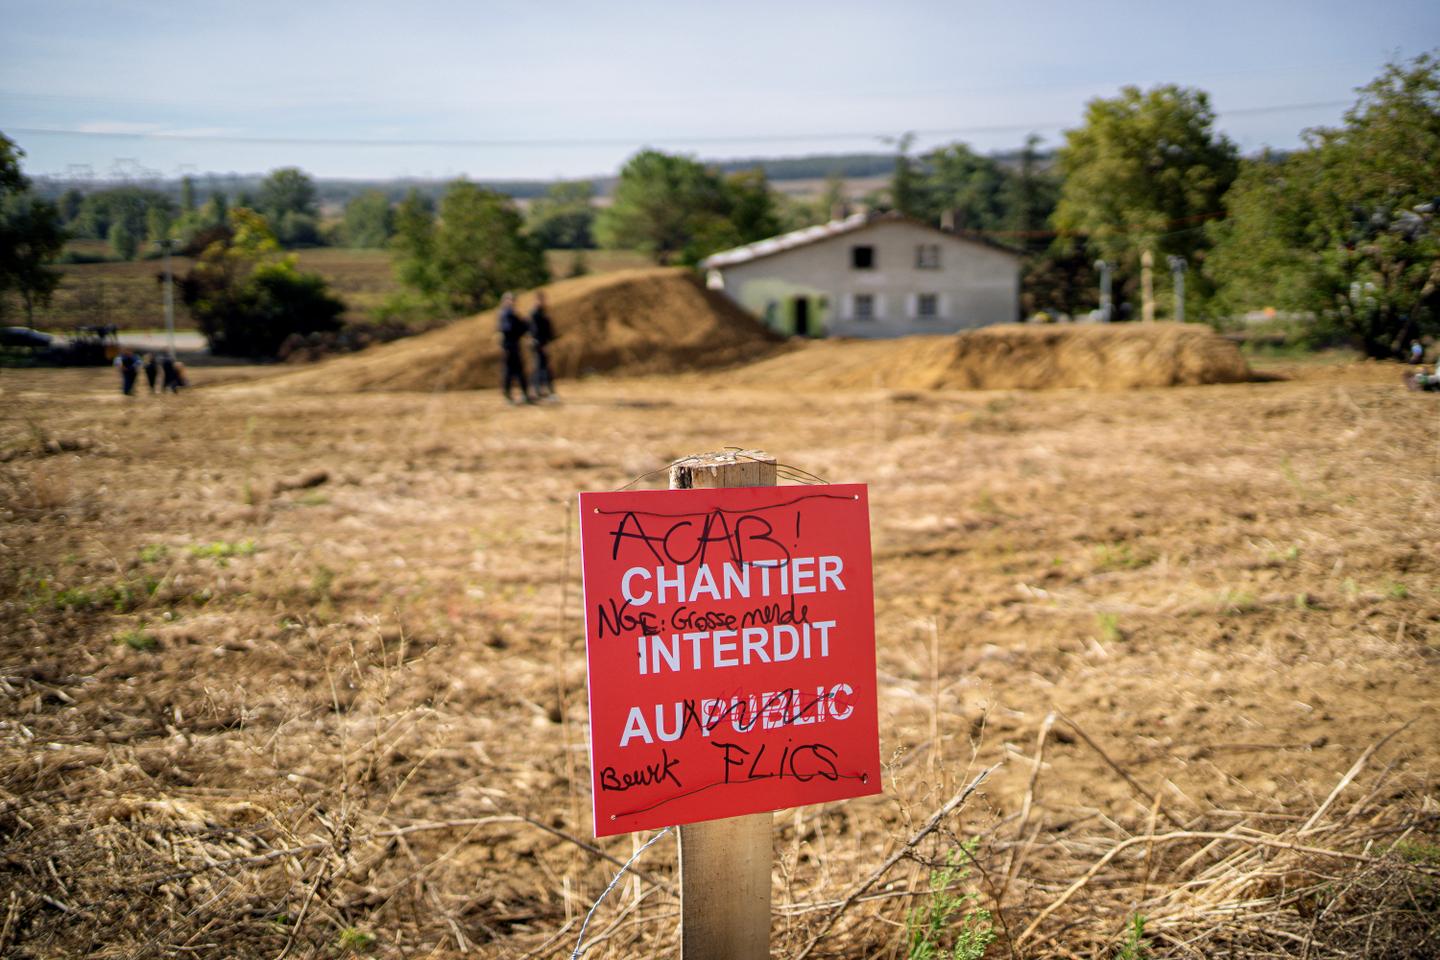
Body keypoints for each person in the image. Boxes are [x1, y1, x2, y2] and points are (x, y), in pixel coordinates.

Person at [497, 292, 533, 404]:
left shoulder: (512, 314)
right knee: (509, 372)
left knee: (518, 371)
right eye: (509, 300)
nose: (512, 302)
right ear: (504, 301)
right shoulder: (505, 314)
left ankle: (525, 394)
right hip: (509, 347)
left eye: (513, 300)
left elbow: (522, 327)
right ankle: (508, 396)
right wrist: (522, 326)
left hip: (514, 347)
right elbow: (509, 330)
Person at [529, 291, 557, 399]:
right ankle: (542, 391)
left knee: (542, 367)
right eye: (540, 299)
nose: (543, 302)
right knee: (541, 368)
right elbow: (536, 331)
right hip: (539, 344)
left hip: (542, 343)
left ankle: (539, 391)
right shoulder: (535, 314)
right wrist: (542, 344)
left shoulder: (542, 312)